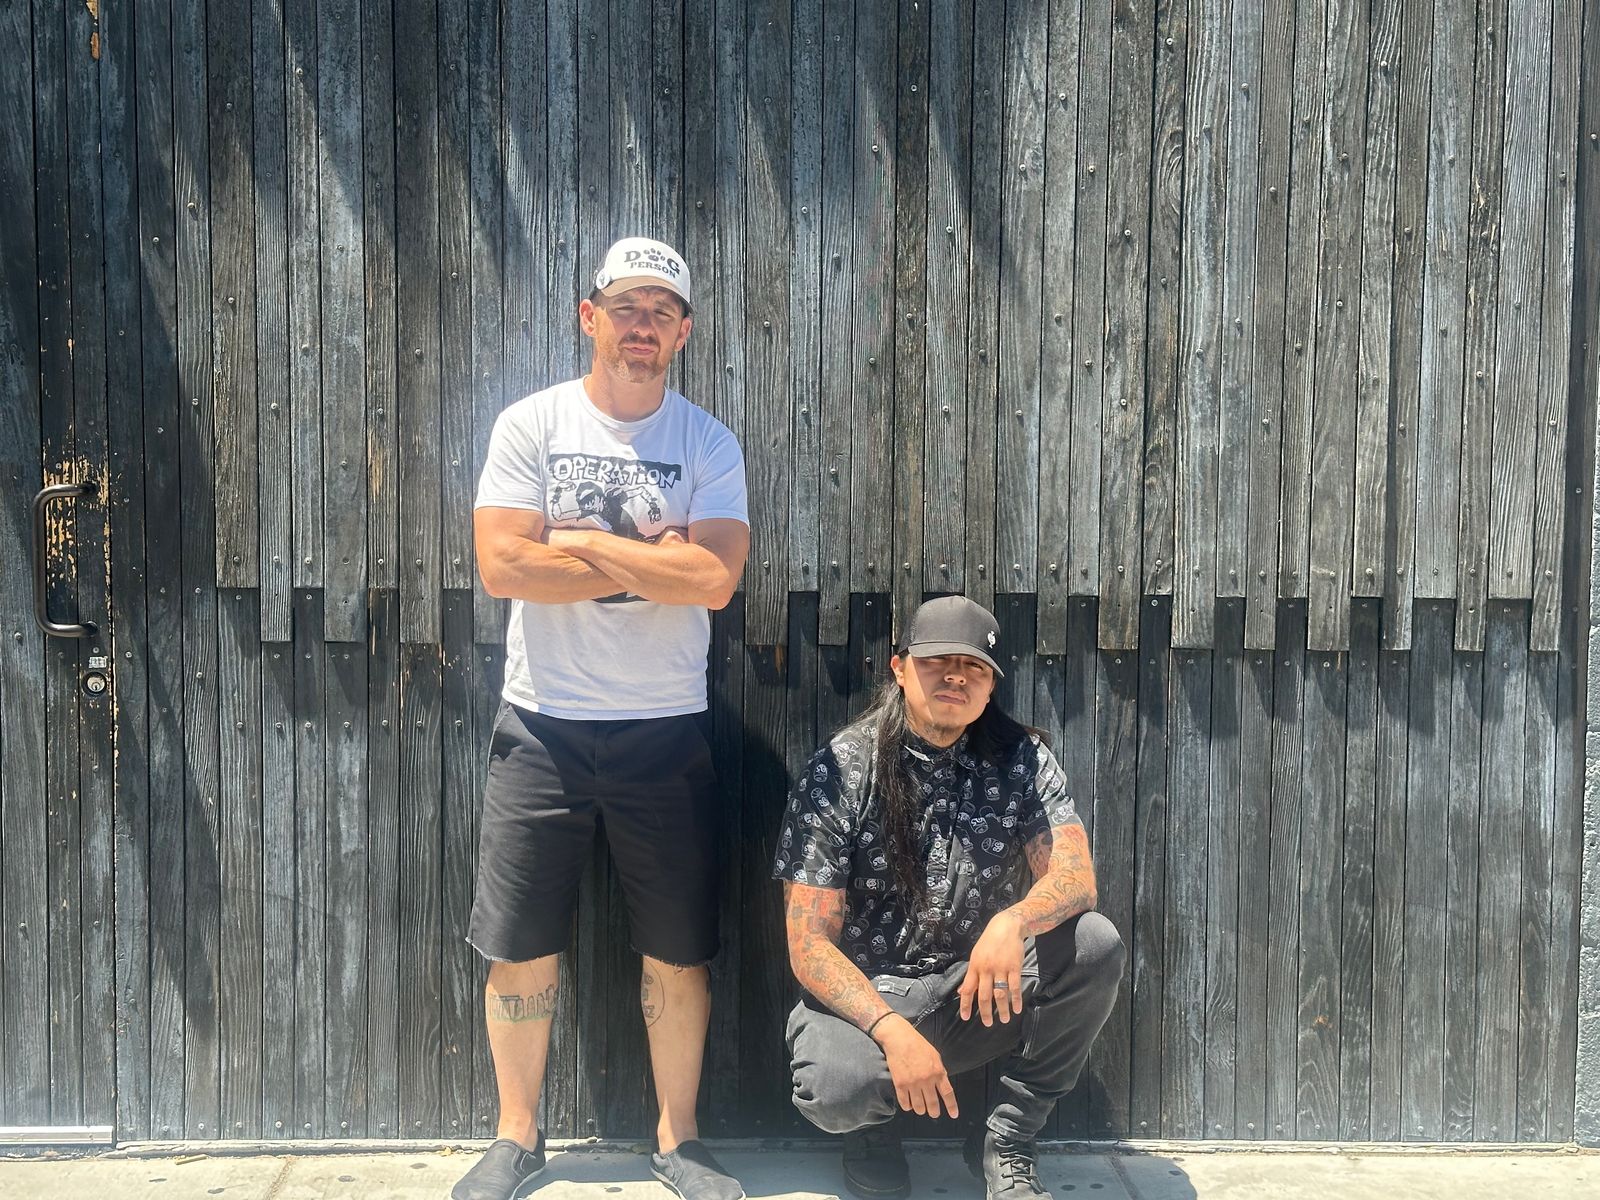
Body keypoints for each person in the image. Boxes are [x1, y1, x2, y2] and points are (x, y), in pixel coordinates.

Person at [454, 237, 750, 1200]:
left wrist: (580, 541)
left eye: (662, 311)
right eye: (626, 307)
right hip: (541, 725)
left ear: (684, 332)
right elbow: (504, 565)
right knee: (519, 942)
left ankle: (679, 1139)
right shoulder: (531, 424)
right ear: (590, 317)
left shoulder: (707, 442)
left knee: (678, 949)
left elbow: (714, 580)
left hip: (665, 728)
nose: (641, 326)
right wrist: (653, 556)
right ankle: (517, 1137)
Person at [774, 596, 1124, 1200]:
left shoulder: (1023, 759)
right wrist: (890, 1030)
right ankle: (871, 1134)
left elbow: (1076, 877)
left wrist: (1012, 923)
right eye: (937, 661)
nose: (956, 677)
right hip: (870, 999)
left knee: (1094, 944)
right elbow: (808, 945)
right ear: (899, 667)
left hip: (974, 992)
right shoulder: (841, 767)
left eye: (975, 667)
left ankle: (1007, 1137)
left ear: (990, 686)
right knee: (837, 1090)